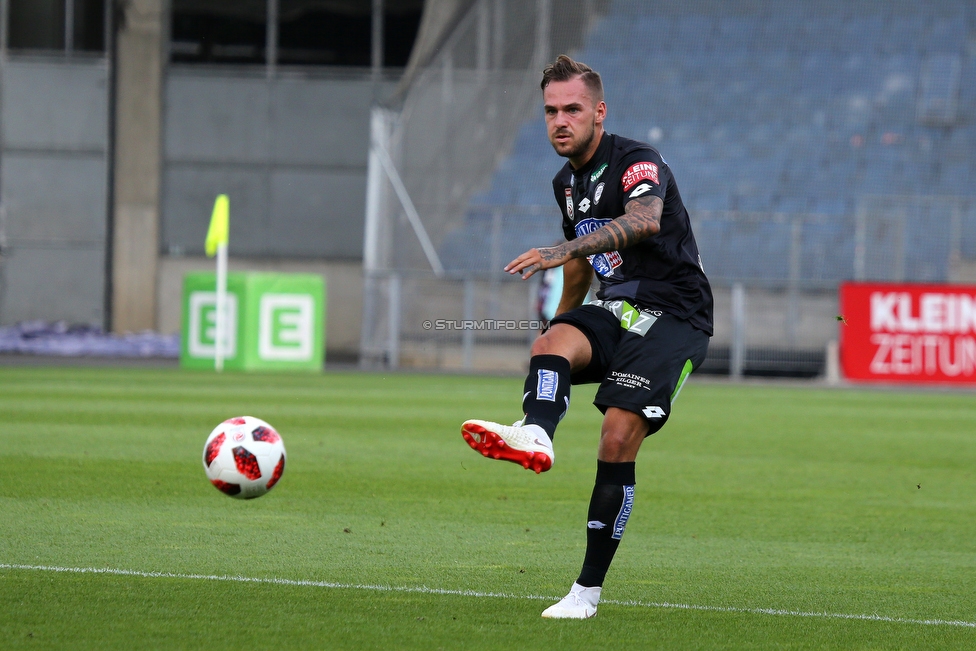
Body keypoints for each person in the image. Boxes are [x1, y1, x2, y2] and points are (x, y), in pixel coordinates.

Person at [461, 54, 713, 619]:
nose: (560, 121)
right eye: (550, 111)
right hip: (617, 308)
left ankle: (586, 593)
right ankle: (536, 435)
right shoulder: (566, 183)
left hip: (675, 315)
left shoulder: (637, 163)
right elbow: (580, 267)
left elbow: (644, 220)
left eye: (572, 109)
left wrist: (560, 250)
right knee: (550, 346)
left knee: (616, 437)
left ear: (598, 112)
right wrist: (561, 320)